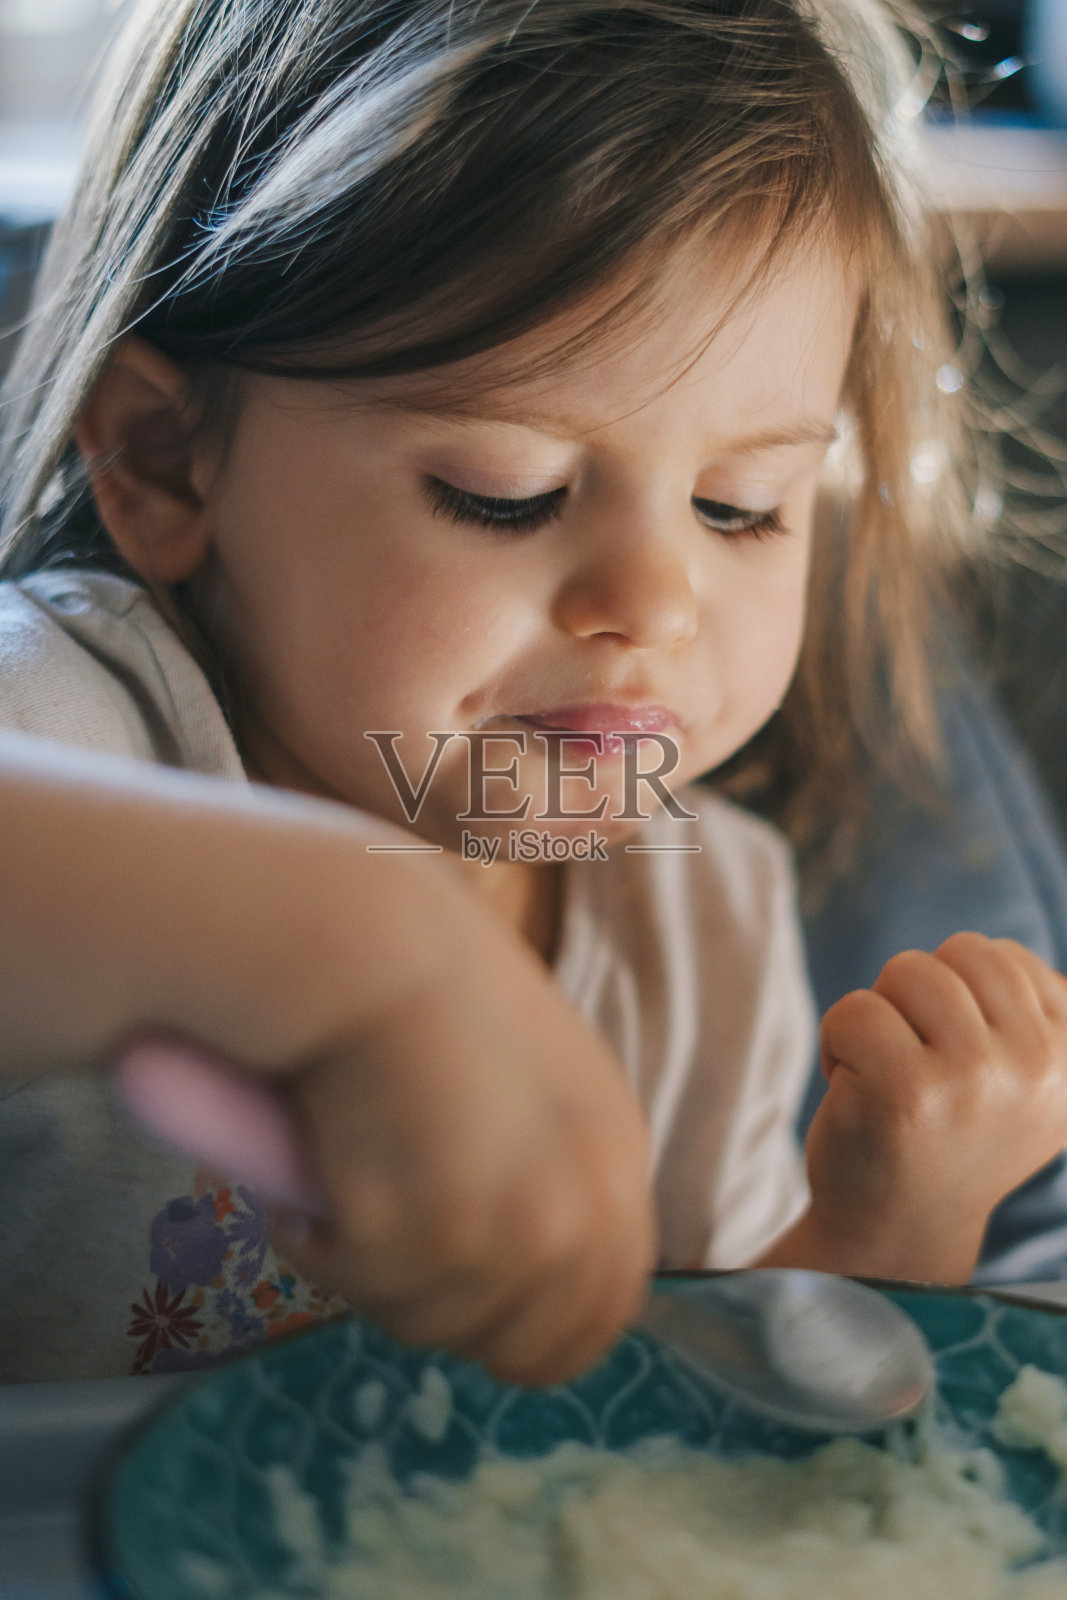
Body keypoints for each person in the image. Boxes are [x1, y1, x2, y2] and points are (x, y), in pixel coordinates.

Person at [2, 0, 1067, 1385]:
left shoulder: (708, 928)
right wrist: (345, 936)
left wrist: (887, 1234)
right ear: (164, 461)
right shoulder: (79, 732)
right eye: (508, 494)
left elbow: (664, 1443)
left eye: (740, 508)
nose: (655, 602)